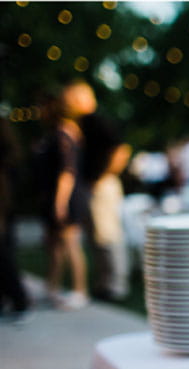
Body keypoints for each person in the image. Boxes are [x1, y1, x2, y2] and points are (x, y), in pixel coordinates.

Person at [33, 80, 97, 310]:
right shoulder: (63, 133)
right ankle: (52, 286)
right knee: (56, 246)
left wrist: (59, 203)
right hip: (59, 196)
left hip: (67, 198)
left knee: (71, 244)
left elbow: (66, 172)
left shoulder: (64, 134)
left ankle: (81, 291)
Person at [81, 113, 132, 302]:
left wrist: (104, 175)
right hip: (94, 184)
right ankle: (105, 283)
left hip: (102, 185)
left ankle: (117, 285)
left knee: (108, 235)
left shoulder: (98, 121)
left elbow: (122, 148)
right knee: (97, 237)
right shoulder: (84, 122)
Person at [0, 119, 31, 322]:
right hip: (7, 209)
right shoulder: (11, 159)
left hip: (4, 209)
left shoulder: (5, 164)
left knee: (3, 255)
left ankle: (20, 300)